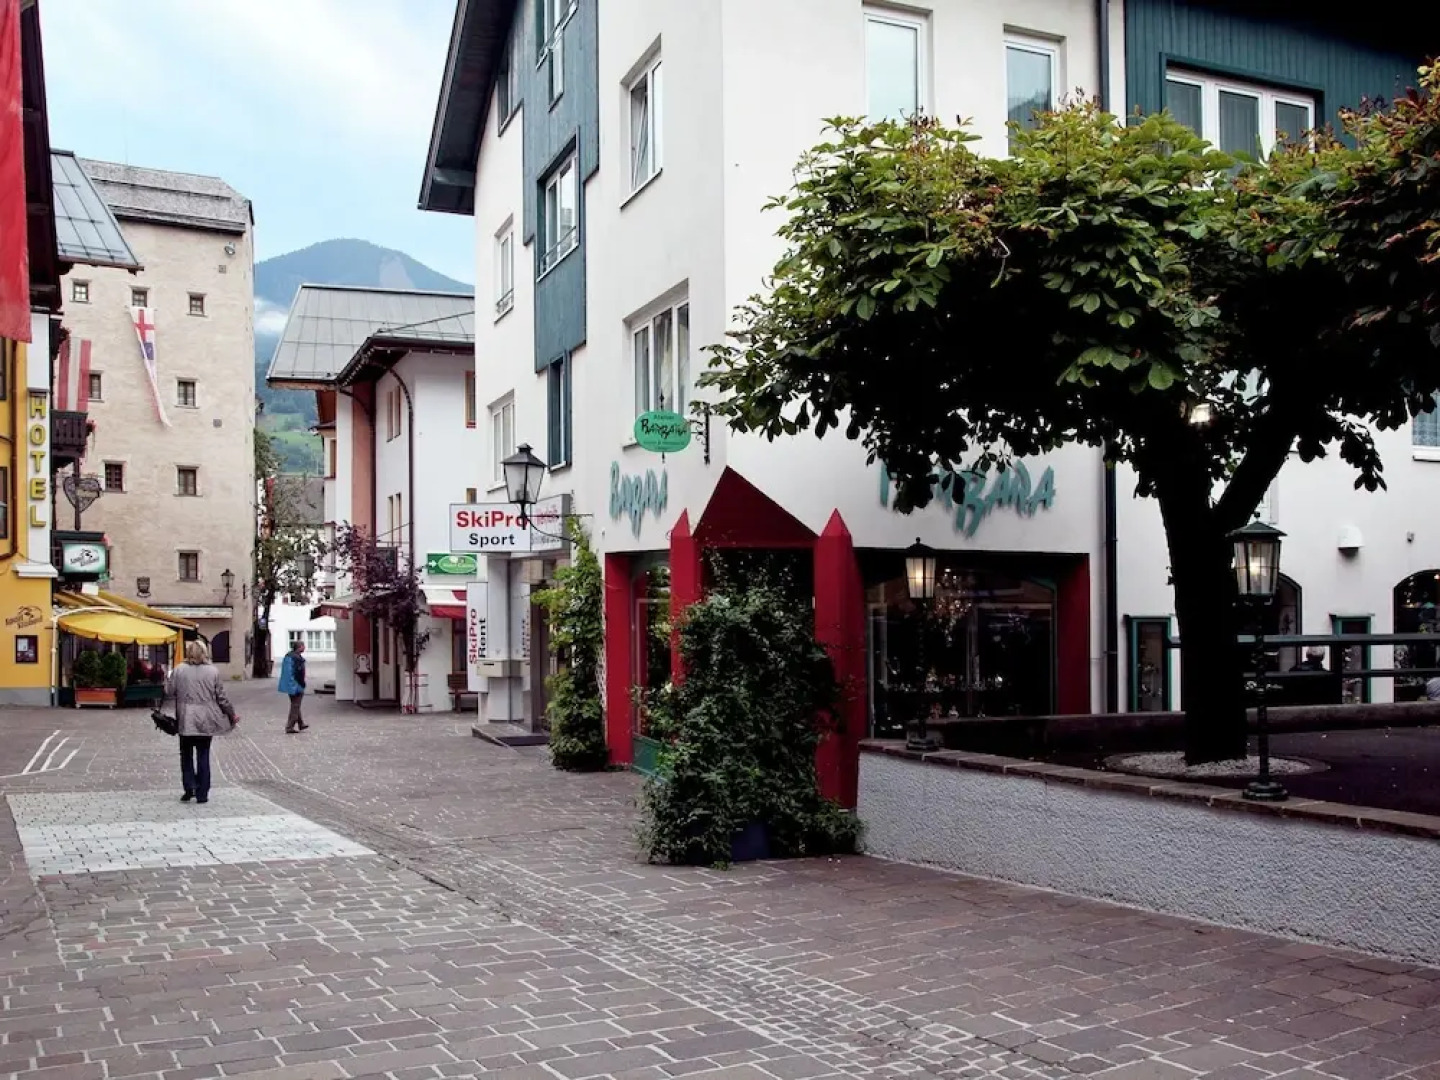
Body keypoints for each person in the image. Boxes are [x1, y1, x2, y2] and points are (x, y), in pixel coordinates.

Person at [166, 641, 238, 804]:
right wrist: (231, 714)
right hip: (206, 718)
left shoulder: (179, 670)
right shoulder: (213, 671)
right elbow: (222, 698)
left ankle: (189, 787)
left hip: (185, 718)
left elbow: (169, 692)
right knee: (203, 755)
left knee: (186, 755)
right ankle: (202, 793)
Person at [279, 639, 308, 733]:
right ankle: (289, 727)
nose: (304, 647)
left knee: (295, 705)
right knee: (295, 706)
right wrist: (295, 686)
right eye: (303, 646)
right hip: (296, 685)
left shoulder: (291, 656)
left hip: (294, 685)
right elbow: (290, 673)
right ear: (299, 647)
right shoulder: (294, 658)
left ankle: (301, 723)